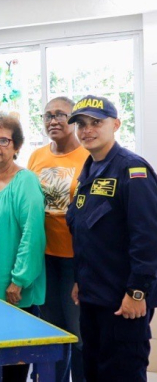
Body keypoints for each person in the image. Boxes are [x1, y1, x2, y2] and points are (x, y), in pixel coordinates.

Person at [65, 95, 157, 382]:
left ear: (115, 124)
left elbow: (148, 237)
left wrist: (137, 292)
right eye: (81, 124)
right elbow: (86, 233)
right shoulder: (89, 171)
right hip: (93, 297)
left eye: (96, 122)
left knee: (124, 372)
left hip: (123, 300)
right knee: (94, 369)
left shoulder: (132, 169)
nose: (87, 130)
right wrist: (81, 280)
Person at [0, 113, 45, 382]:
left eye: (4, 140)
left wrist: (20, 279)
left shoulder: (25, 181)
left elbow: (33, 233)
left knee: (14, 364)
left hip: (15, 289)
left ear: (17, 147)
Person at [27, 97, 88, 382]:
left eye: (61, 115)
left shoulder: (88, 156)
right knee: (53, 332)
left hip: (77, 259)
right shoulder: (37, 157)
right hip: (45, 257)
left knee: (79, 334)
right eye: (48, 115)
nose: (53, 121)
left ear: (74, 120)